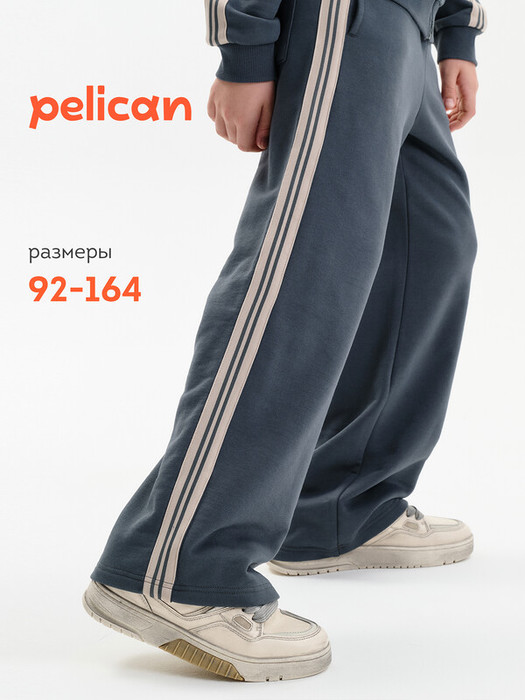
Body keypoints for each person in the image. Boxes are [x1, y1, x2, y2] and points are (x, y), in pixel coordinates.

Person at [82, 0, 487, 683]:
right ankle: (175, 566)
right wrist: (245, 48)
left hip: (410, 28)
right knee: (306, 265)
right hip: (342, 19)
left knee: (431, 247)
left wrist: (456, 30)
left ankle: (337, 508)